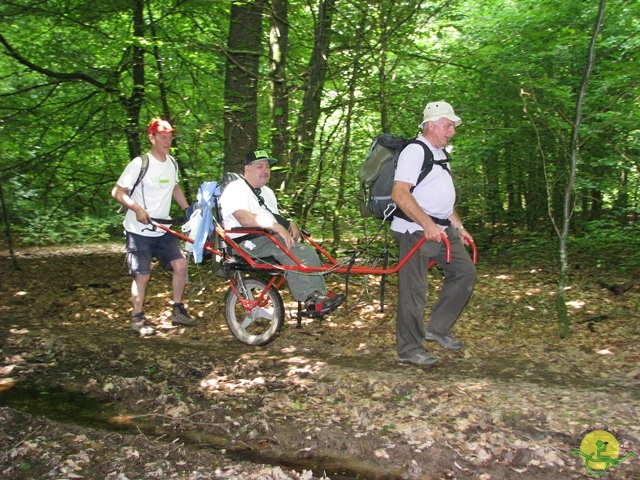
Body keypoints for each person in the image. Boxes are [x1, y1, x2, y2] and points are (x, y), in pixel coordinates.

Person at [390, 101, 476, 367]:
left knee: (464, 273)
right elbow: (400, 193)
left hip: (442, 229)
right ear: (431, 124)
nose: (452, 131)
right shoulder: (415, 151)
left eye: (452, 126)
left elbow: (444, 202)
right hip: (415, 230)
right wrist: (427, 224)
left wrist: (459, 227)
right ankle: (410, 349)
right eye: (448, 125)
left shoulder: (440, 154)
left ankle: (437, 329)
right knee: (414, 291)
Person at [219, 150, 345, 314]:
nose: (265, 170)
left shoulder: (267, 192)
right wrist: (276, 227)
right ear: (247, 169)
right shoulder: (235, 189)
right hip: (245, 242)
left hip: (267, 238)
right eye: (260, 166)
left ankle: (320, 294)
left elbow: (272, 215)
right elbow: (244, 218)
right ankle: (310, 298)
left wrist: (288, 223)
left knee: (305, 250)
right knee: (287, 250)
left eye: (267, 166)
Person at [111, 119, 197, 336]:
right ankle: (137, 319)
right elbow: (117, 192)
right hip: (138, 230)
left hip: (163, 227)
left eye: (170, 137)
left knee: (180, 264)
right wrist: (137, 208)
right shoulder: (139, 163)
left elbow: (174, 186)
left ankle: (177, 311)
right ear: (152, 138)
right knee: (142, 275)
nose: (168, 141)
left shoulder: (172, 163)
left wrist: (187, 208)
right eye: (163, 137)